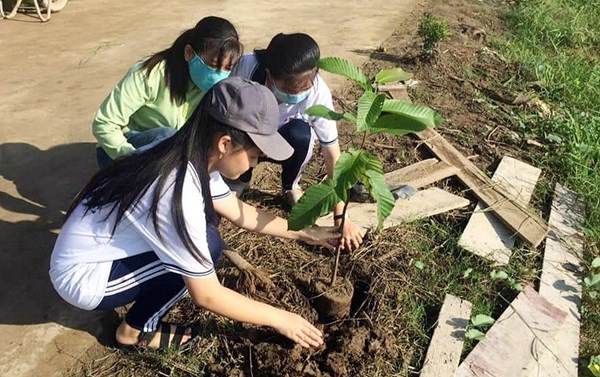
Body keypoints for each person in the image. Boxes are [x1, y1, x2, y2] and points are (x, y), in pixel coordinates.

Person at [50, 78, 340, 350]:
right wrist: (283, 319)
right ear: (225, 144)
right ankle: (134, 331)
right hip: (85, 275)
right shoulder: (174, 190)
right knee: (202, 253)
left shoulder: (192, 151)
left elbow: (243, 214)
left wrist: (305, 231)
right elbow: (207, 294)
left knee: (207, 244)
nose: (252, 166)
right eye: (253, 156)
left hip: (101, 247)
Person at [230, 33, 364, 251]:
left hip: (283, 140)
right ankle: (239, 179)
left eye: (304, 89)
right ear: (269, 76)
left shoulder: (318, 93)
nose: (297, 95)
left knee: (302, 134)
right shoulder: (246, 69)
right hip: (247, 133)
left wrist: (341, 216)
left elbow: (332, 155)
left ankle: (290, 186)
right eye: (290, 90)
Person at [93, 16, 243, 168]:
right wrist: (134, 161)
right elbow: (104, 123)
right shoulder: (150, 74)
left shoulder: (212, 90)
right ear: (189, 53)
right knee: (168, 138)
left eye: (227, 68)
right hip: (120, 155)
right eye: (213, 65)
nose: (219, 74)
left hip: (169, 154)